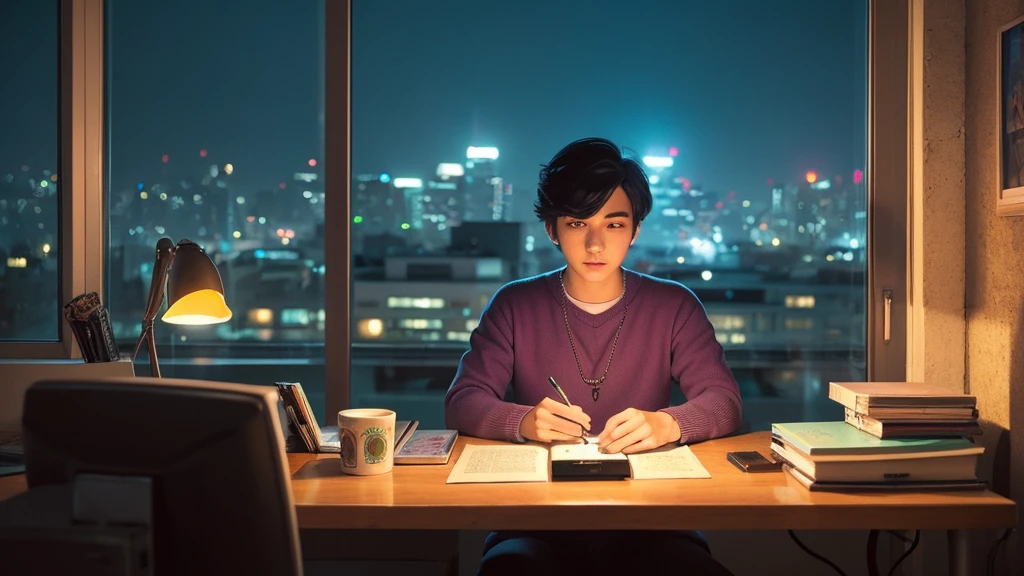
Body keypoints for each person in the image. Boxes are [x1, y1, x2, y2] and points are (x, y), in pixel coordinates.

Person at [444, 137, 742, 576]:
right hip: (537, 520)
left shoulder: (674, 306)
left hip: (654, 520)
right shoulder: (514, 304)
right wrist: (522, 421)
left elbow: (725, 401)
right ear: (552, 230)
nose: (596, 245)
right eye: (578, 224)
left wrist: (668, 422)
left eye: (614, 224)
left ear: (636, 229)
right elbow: (463, 400)